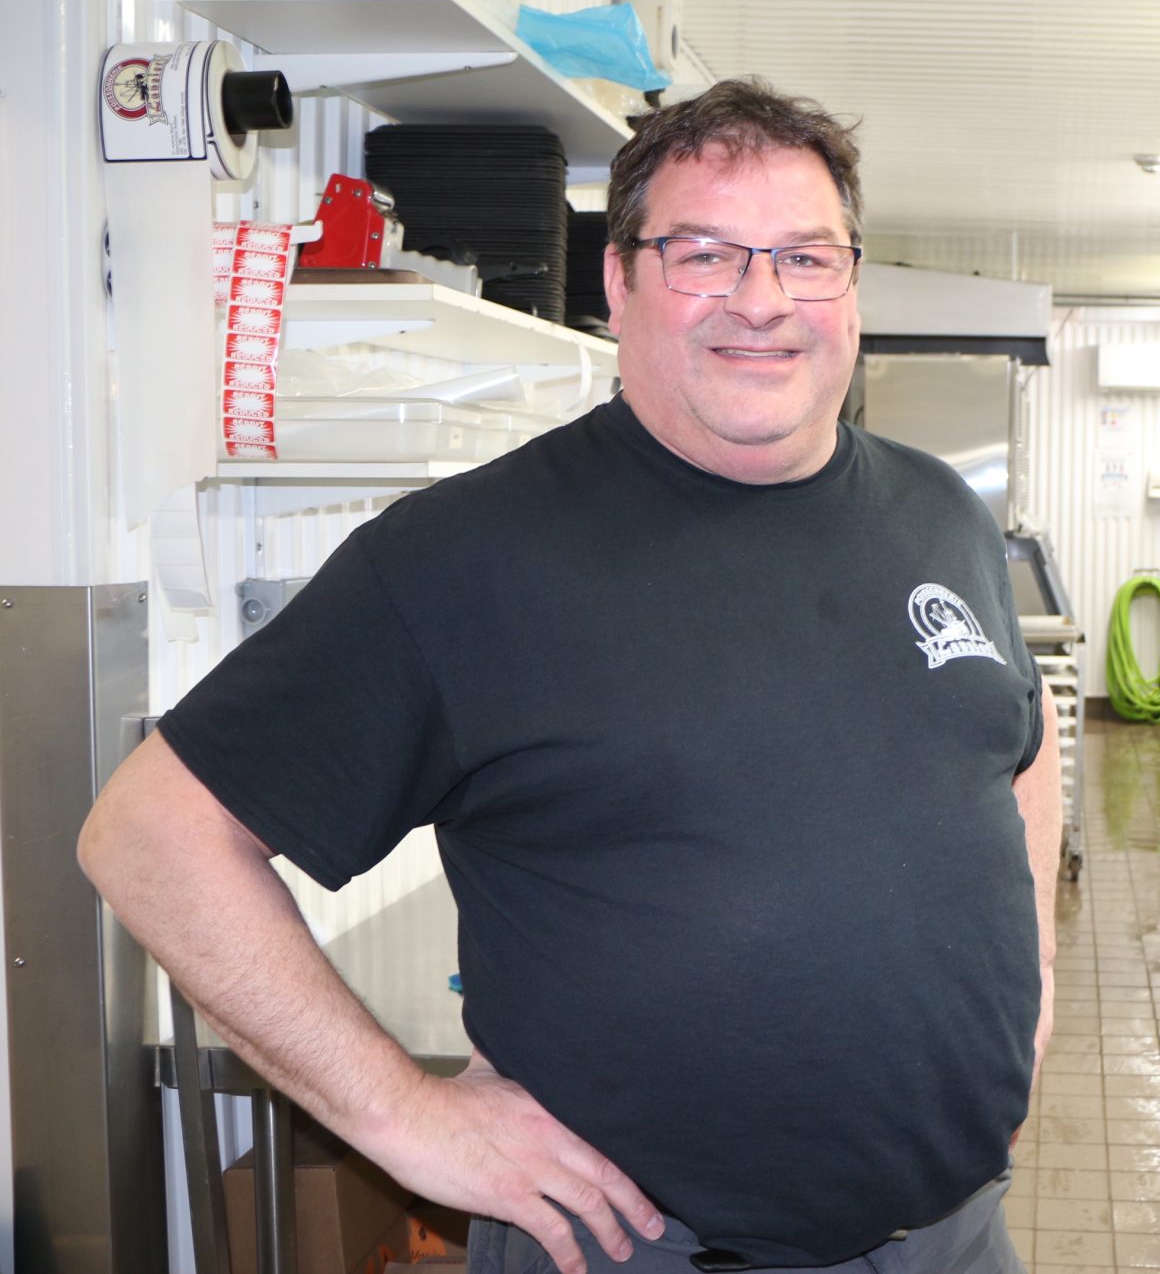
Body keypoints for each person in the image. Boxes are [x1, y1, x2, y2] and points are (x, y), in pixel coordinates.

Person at [77, 78, 1062, 1274]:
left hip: (958, 1234)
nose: (763, 300)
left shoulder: (938, 508)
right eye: (704, 254)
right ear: (620, 280)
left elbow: (1017, 745)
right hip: (646, 1248)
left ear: (849, 284)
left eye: (806, 257)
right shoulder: (464, 557)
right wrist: (403, 1114)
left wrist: (1032, 993)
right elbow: (152, 837)